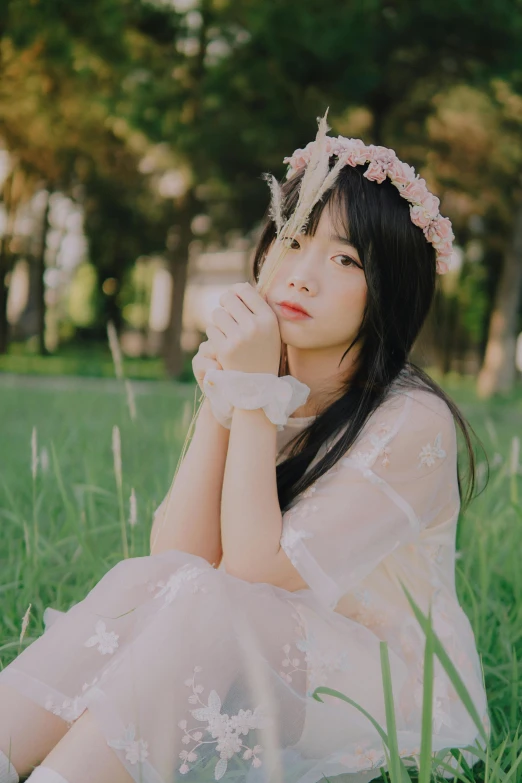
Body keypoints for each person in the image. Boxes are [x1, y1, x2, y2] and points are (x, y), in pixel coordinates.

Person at [0, 126, 491, 783]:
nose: (303, 275)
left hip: (389, 693)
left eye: (345, 260)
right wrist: (224, 394)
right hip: (269, 647)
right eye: (292, 240)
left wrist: (253, 394)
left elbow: (249, 575)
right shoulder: (271, 381)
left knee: (213, 604)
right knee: (143, 584)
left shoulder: (413, 422)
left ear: (389, 289)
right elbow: (176, 561)